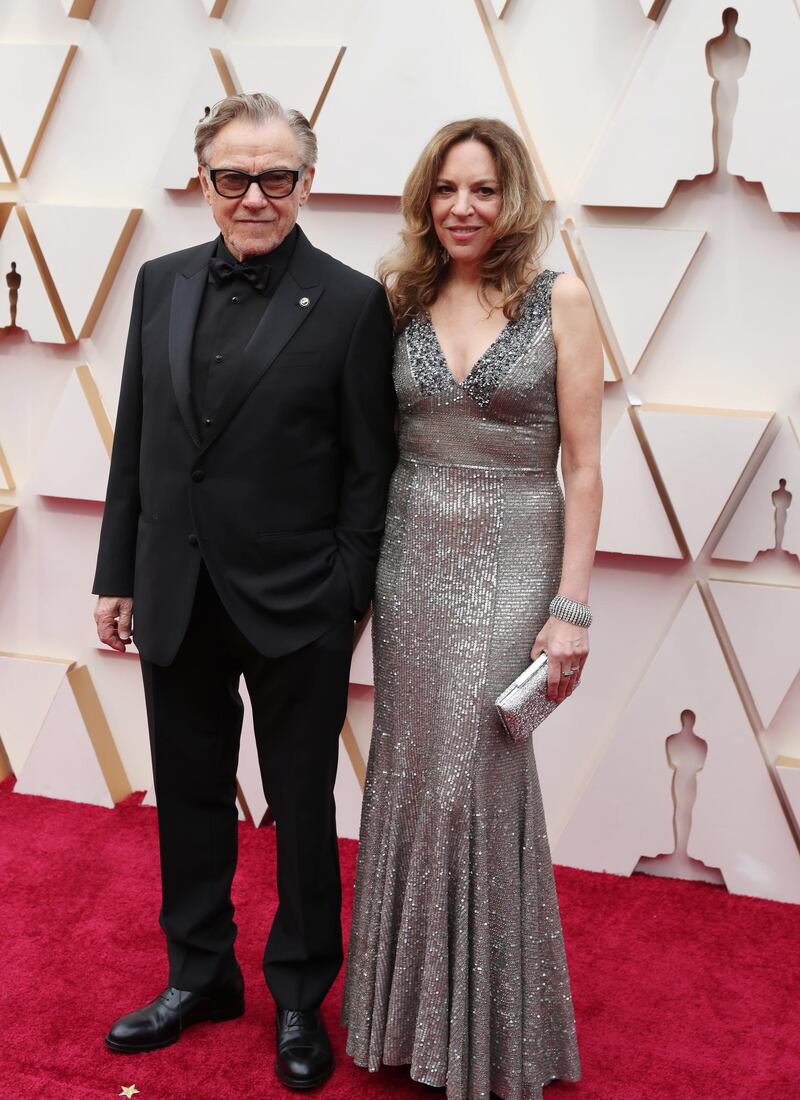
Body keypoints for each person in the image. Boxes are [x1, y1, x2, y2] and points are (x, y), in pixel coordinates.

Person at [92, 93, 396, 1090]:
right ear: (205, 179)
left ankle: (302, 995)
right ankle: (201, 975)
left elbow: (367, 466)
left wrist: (345, 588)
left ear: (307, 181)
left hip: (297, 600)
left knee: (300, 806)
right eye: (234, 176)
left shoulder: (353, 301)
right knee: (186, 796)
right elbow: (139, 438)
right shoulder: (159, 281)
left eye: (275, 177)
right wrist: (116, 573)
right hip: (175, 583)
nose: (254, 195)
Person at [342, 118, 603, 1099]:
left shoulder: (558, 298)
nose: (462, 207)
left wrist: (569, 606)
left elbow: (581, 465)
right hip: (411, 559)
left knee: (471, 780)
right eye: (447, 189)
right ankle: (403, 1021)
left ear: (512, 201)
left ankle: (487, 1032)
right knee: (408, 775)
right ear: (425, 197)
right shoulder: (398, 299)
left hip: (509, 555)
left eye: (483, 190)